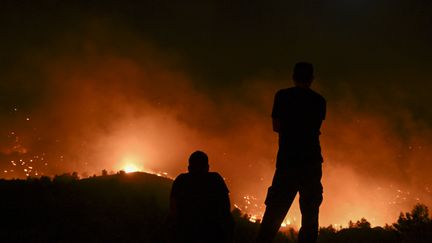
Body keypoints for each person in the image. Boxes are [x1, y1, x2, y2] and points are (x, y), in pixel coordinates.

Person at [256, 62, 326, 243]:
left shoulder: (282, 96)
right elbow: (315, 127)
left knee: (275, 211)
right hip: (311, 162)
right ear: (311, 79)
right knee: (310, 215)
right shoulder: (319, 101)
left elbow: (276, 126)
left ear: (293, 76)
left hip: (288, 161)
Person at [169, 151, 233, 243]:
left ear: (189, 168)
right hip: (211, 234)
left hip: (185, 234)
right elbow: (226, 208)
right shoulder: (215, 180)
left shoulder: (181, 180)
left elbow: (173, 209)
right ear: (207, 168)